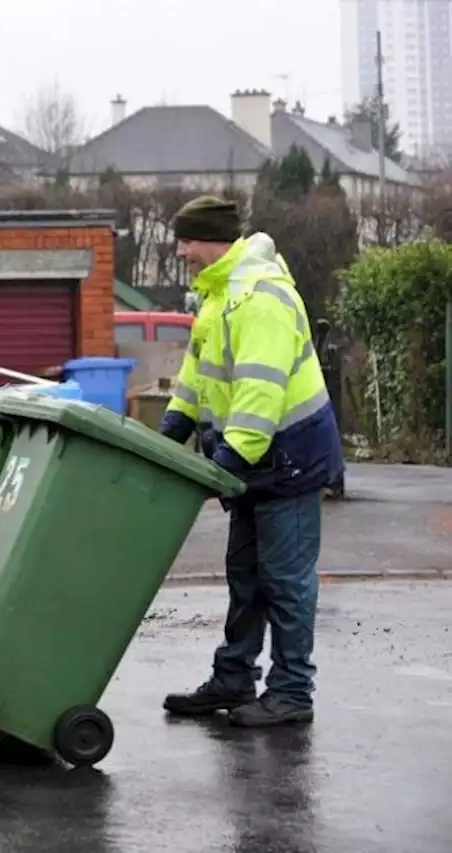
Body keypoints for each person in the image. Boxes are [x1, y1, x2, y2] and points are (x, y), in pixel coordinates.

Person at [157, 195, 344, 728]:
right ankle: (234, 679)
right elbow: (198, 374)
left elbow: (260, 393)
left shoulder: (259, 297)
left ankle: (292, 693)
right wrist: (176, 423)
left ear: (214, 240)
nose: (181, 250)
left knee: (285, 581)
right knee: (245, 576)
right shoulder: (218, 297)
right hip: (255, 460)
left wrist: (228, 460)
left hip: (287, 458)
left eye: (187, 239)